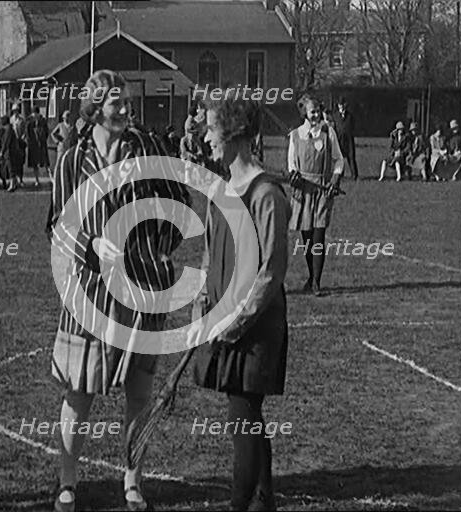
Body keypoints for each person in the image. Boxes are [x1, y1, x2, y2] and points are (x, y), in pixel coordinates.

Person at [46, 69, 189, 512]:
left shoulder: (147, 149)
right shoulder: (72, 160)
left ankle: (132, 480)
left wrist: (161, 245)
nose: (126, 109)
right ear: (93, 110)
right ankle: (68, 482)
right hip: (89, 295)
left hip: (144, 292)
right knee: (79, 392)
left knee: (139, 393)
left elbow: (180, 201)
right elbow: (57, 224)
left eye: (127, 101)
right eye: (115, 103)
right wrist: (90, 244)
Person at [187, 96, 290, 512]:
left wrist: (236, 321)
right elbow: (211, 256)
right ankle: (265, 502)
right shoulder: (220, 190)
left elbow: (272, 270)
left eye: (212, 129)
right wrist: (201, 306)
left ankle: (240, 505)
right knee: (246, 414)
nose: (206, 137)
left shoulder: (266, 194)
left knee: (241, 416)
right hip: (225, 318)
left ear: (232, 135)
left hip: (255, 325)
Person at [288, 94, 344, 296]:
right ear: (305, 113)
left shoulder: (329, 133)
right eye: (312, 111)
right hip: (303, 193)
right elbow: (291, 163)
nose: (316, 115)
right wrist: (294, 175)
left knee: (319, 236)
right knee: (307, 238)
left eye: (318, 111)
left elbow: (339, 160)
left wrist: (335, 179)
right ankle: (311, 276)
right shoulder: (295, 135)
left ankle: (316, 283)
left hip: (322, 191)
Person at [333, 97, 359, 180]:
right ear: (338, 105)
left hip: (349, 139)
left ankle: (354, 175)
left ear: (345, 105)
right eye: (340, 105)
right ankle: (340, 174)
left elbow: (353, 126)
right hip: (339, 139)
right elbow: (334, 127)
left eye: (343, 104)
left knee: (351, 157)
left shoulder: (350, 116)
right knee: (340, 157)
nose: (341, 106)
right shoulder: (335, 115)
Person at [0, 115, 23, 192]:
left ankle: (12, 184)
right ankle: (14, 183)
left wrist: (2, 151)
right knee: (10, 167)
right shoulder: (8, 129)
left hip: (9, 152)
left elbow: (6, 142)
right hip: (10, 151)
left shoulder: (8, 129)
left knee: (11, 167)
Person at [26, 106, 49, 187]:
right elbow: (27, 133)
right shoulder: (29, 121)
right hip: (33, 145)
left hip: (41, 144)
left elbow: (46, 131)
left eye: (36, 113)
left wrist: (43, 139)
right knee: (34, 163)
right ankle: (37, 179)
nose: (35, 115)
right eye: (33, 114)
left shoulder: (43, 120)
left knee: (45, 162)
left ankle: (51, 177)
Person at [10, 104, 26, 186]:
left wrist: (23, 136)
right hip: (13, 143)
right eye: (14, 111)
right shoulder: (11, 120)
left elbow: (24, 130)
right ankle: (15, 179)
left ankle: (21, 179)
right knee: (14, 162)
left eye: (17, 110)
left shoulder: (22, 120)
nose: (15, 112)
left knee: (21, 162)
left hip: (20, 142)